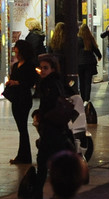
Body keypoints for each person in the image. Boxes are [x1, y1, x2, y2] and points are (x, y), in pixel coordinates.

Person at [33, 54, 77, 195]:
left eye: (46, 68)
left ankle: (39, 194)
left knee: (43, 163)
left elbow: (50, 105)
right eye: (41, 68)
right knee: (52, 164)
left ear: (52, 69)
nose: (43, 71)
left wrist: (40, 115)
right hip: (56, 129)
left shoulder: (50, 84)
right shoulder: (54, 82)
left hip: (51, 130)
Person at [5, 39, 38, 164]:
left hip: (24, 98)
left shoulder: (29, 66)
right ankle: (23, 154)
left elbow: (30, 82)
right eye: (15, 53)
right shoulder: (15, 66)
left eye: (18, 52)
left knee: (22, 128)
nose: (16, 55)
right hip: (16, 98)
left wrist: (17, 83)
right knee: (21, 128)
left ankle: (24, 156)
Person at [76, 24, 101, 102]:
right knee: (88, 82)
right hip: (89, 63)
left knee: (81, 81)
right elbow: (96, 50)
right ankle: (87, 98)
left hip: (80, 63)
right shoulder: (90, 39)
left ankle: (82, 97)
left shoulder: (77, 40)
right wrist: (99, 56)